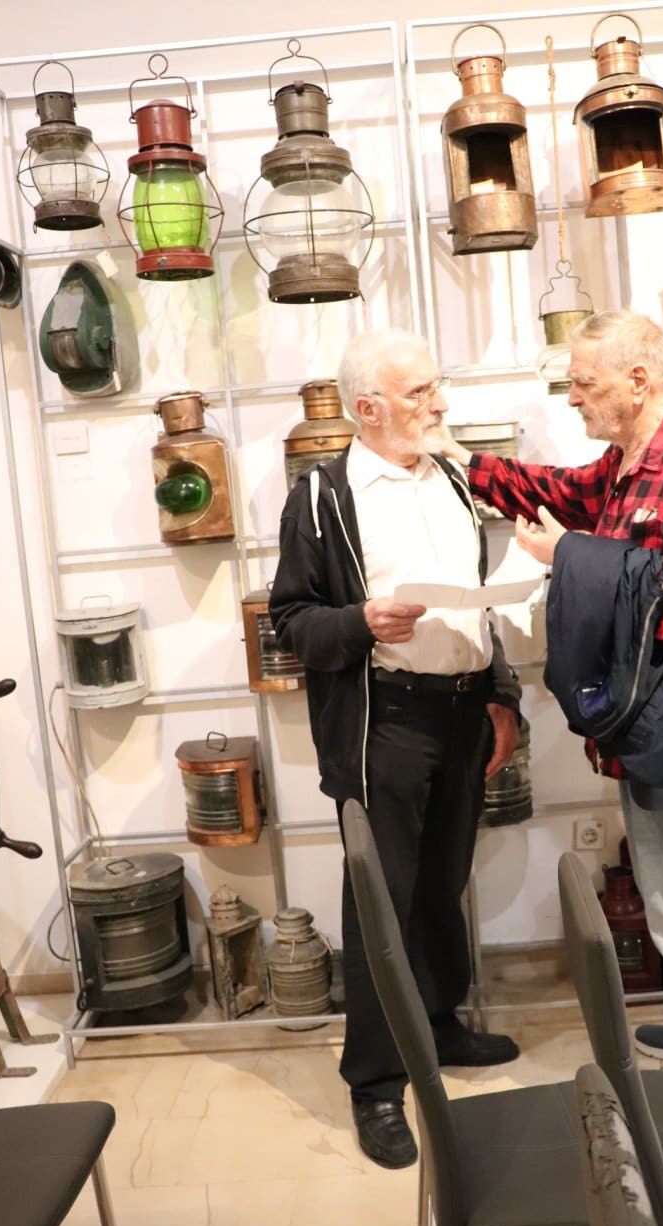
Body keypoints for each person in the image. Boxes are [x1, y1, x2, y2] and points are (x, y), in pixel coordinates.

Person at [431, 309, 663, 1128]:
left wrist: (571, 558)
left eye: (584, 383)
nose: (573, 397)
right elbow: (560, 494)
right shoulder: (635, 459)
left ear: (637, 380)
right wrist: (462, 460)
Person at [268, 328, 522, 1169]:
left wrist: (502, 696)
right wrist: (360, 621)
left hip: (463, 711)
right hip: (387, 723)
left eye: (435, 385)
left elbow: (479, 602)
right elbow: (292, 620)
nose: (438, 402)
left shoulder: (452, 477)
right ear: (368, 408)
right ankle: (375, 1082)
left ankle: (438, 1024)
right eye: (420, 392)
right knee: (382, 901)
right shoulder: (322, 497)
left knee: (443, 883)